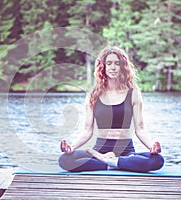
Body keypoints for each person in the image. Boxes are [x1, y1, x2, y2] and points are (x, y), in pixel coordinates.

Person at [58, 45, 164, 173]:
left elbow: (140, 129)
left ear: (122, 67)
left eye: (117, 63)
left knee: (157, 160)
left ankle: (113, 162)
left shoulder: (133, 93)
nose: (113, 67)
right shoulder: (93, 95)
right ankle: (113, 164)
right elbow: (87, 130)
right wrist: (72, 147)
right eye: (109, 63)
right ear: (103, 67)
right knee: (65, 160)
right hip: (99, 151)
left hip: (126, 151)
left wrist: (151, 147)